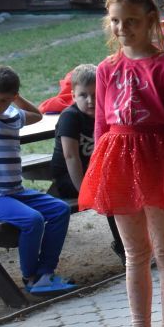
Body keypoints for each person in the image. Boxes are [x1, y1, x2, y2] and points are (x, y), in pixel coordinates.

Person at [79, 0, 164, 327]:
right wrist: (100, 172)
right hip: (118, 164)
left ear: (149, 20)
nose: (122, 28)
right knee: (134, 253)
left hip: (156, 163)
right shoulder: (106, 69)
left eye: (131, 21)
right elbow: (100, 126)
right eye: (115, 21)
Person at [0, 65, 74, 295]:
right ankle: (31, 278)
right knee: (33, 220)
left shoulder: (13, 116)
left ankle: (45, 273)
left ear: (12, 99)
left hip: (14, 193)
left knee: (60, 210)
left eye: (4, 101)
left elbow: (37, 114)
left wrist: (15, 99)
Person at [46, 63, 124, 260]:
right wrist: (84, 190)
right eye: (83, 95)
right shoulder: (70, 117)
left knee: (126, 187)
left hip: (94, 173)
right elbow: (70, 156)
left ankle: (135, 243)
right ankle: (125, 247)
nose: (90, 101)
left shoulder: (106, 113)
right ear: (73, 96)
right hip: (70, 178)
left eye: (96, 95)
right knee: (112, 193)